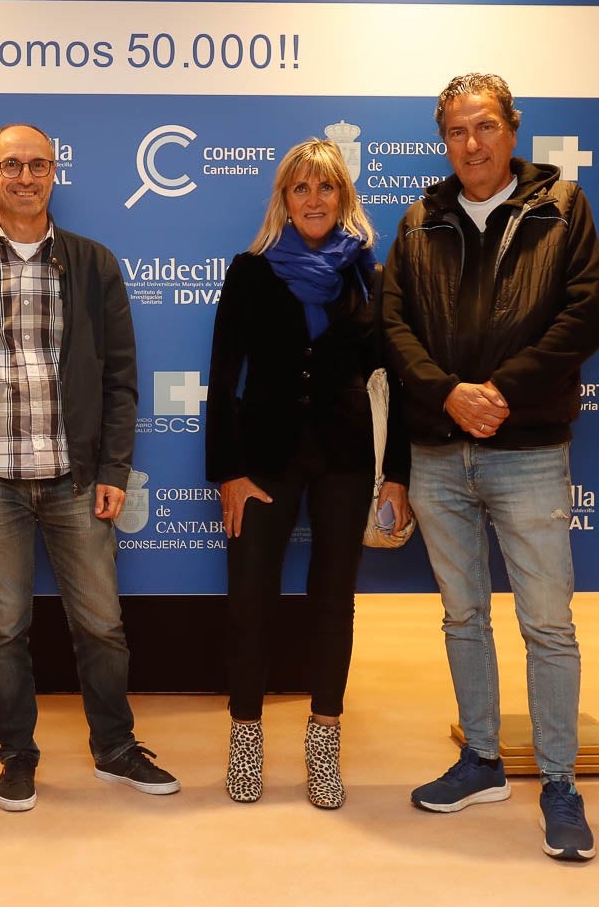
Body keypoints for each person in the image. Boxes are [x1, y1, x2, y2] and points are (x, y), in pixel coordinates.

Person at [382, 73, 599, 860]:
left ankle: (559, 782)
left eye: (483, 126)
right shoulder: (419, 219)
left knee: (547, 622)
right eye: (455, 130)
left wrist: (500, 392)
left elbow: (584, 314)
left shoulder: (562, 207)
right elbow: (393, 323)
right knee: (462, 614)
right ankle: (480, 759)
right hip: (438, 453)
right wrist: (448, 394)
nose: (470, 143)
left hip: (528, 450)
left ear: (511, 129)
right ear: (442, 140)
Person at [0, 122, 179, 812]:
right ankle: (16, 755)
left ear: (54, 174)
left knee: (101, 624)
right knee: (3, 630)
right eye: (11, 165)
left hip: (76, 478)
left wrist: (114, 470)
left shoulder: (93, 263)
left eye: (38, 165)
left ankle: (115, 749)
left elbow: (121, 380)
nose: (25, 177)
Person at [206, 138, 411, 809]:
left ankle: (324, 744)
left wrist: (396, 474)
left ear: (343, 196)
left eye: (326, 187)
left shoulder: (369, 276)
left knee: (332, 602)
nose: (314, 199)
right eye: (301, 188)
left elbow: (395, 380)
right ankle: (245, 737)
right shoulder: (249, 271)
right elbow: (222, 377)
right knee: (249, 601)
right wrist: (228, 472)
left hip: (346, 462)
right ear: (285, 200)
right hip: (261, 461)